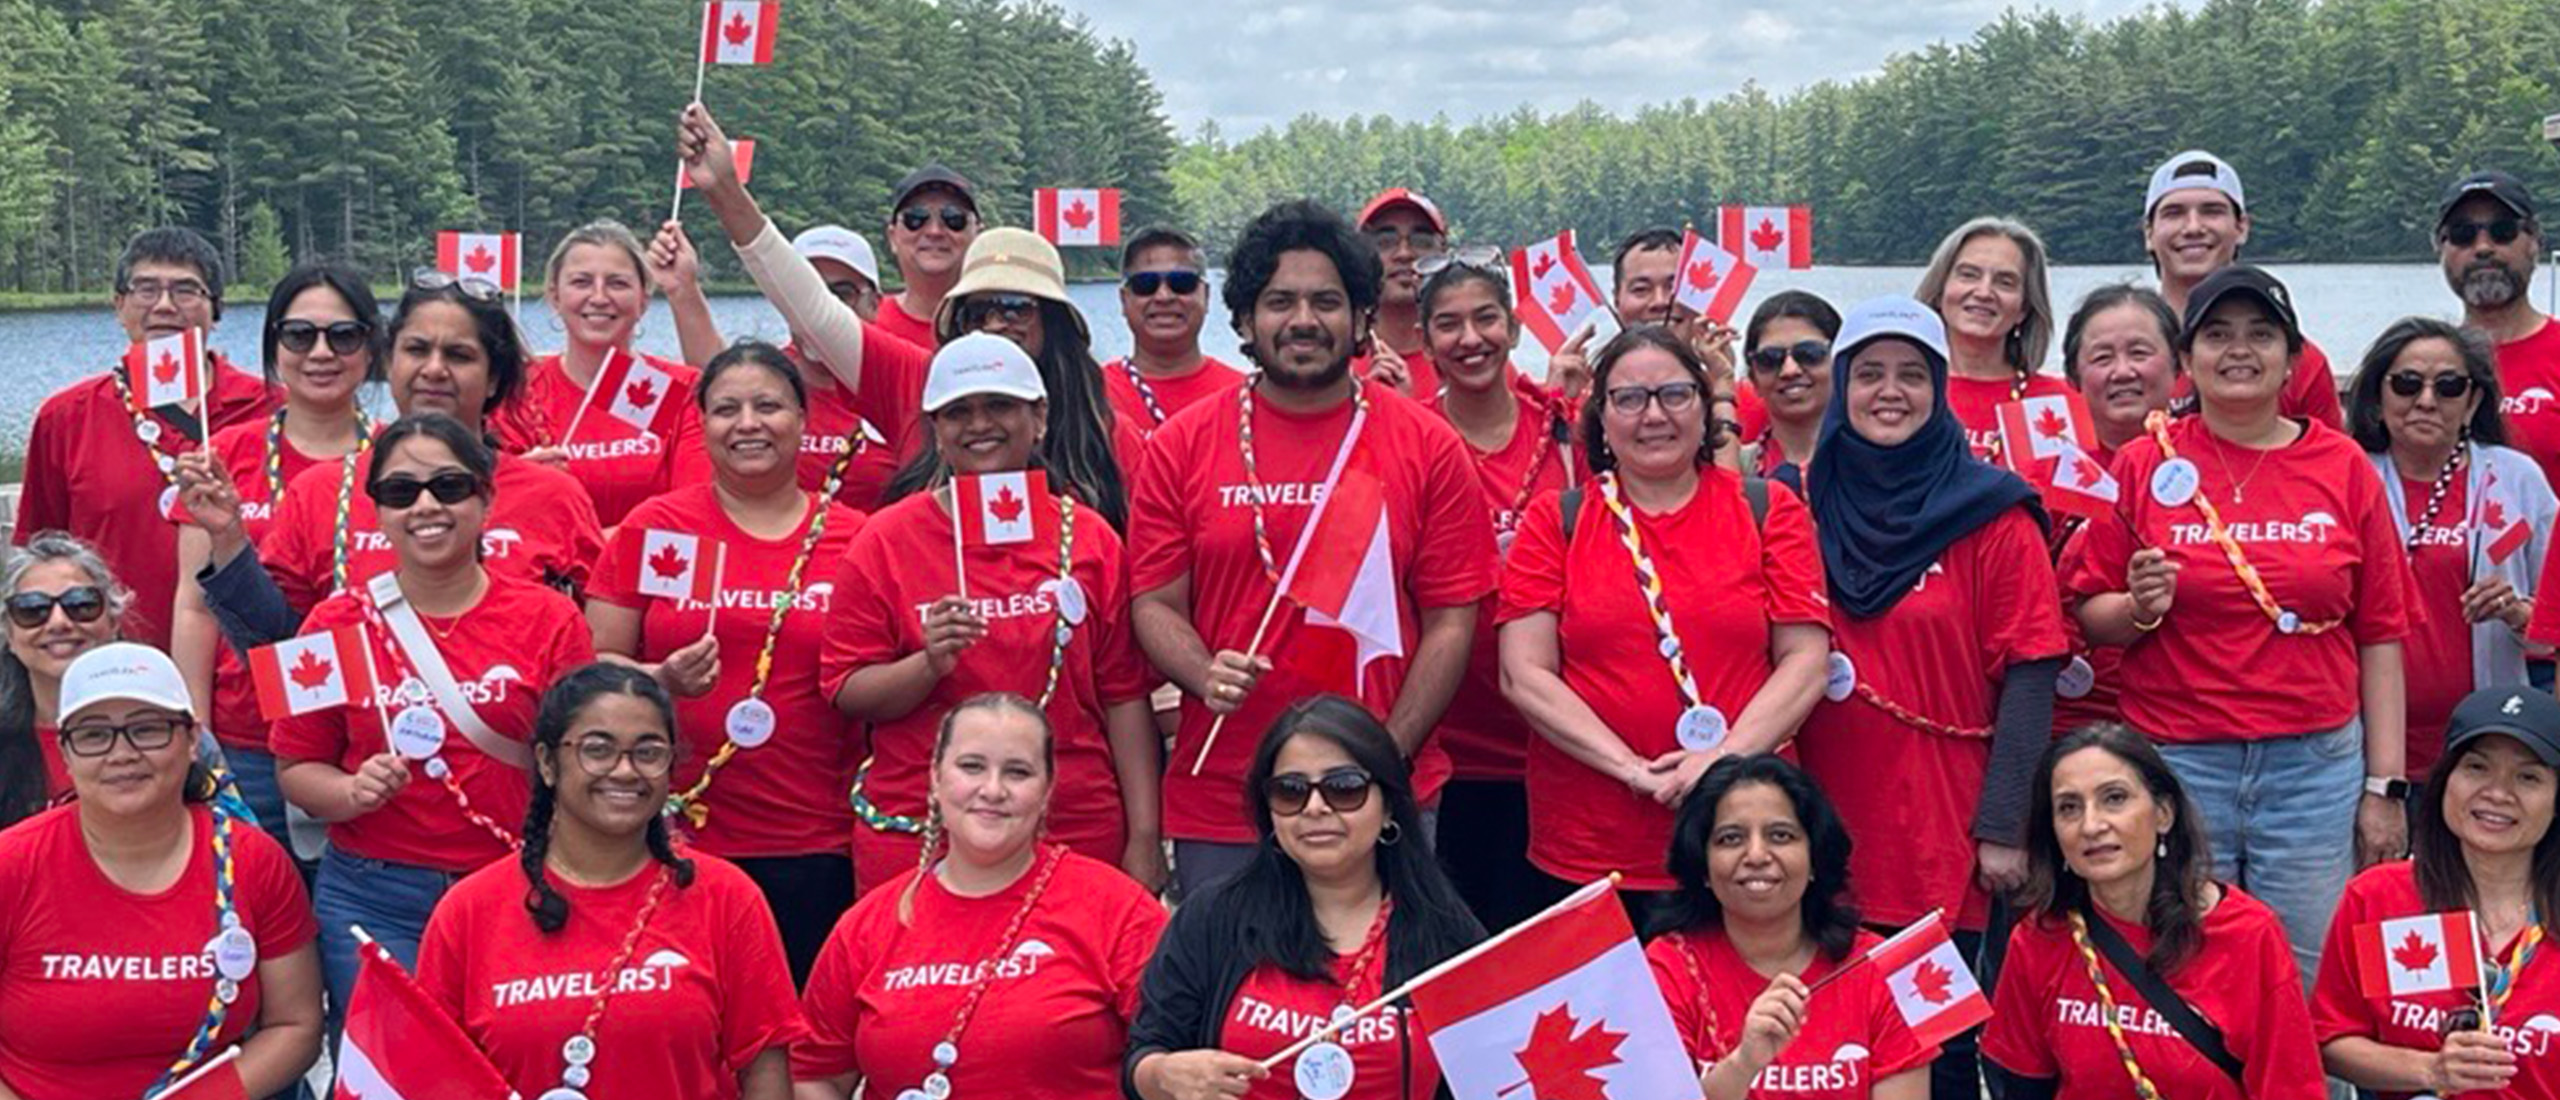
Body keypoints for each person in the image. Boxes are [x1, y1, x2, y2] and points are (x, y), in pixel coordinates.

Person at [1128, 199, 1498, 898]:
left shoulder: (1426, 443)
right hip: (1227, 794)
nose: (1303, 320)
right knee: (1232, 1003)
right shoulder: (1181, 444)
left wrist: (1389, 752)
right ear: (1243, 319)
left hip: (1379, 793)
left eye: (1326, 301)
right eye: (1280, 301)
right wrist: (1203, 673)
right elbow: (1153, 601)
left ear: (1361, 318)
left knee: (1383, 999)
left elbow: (1452, 618)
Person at [2065, 265, 2412, 979]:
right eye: (2217, 335)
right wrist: (2138, 608)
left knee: (2310, 976)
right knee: (2188, 968)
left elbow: (2379, 635)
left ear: (2293, 358)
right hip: (2178, 761)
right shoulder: (2143, 462)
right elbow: (2090, 618)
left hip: (2313, 768)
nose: (2239, 350)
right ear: (2187, 360)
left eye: (2261, 334)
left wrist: (2385, 787)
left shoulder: (2343, 465)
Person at [1795, 295, 2066, 1100]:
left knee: (1936, 1051)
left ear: (1940, 388)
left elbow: (2031, 671)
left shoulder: (1991, 511)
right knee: (1822, 1043)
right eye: (1869, 373)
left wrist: (2003, 826)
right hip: (1813, 823)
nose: (1890, 391)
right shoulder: (1791, 498)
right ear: (1840, 385)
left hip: (1940, 830)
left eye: (1912, 375)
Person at [268, 414, 597, 1030]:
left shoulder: (552, 618)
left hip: (514, 884)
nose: (425, 506)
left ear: (486, 497)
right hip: (375, 894)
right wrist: (349, 791)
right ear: (378, 511)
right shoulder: (326, 624)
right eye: (400, 492)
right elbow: (293, 768)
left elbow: (580, 761)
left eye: (448, 486)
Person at [1498, 326, 1830, 918]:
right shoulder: (1557, 519)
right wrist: (1630, 770)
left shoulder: (1766, 509)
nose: (1653, 415)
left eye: (1675, 394)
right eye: (1629, 399)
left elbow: (1804, 661)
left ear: (1707, 411)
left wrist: (1724, 759)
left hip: (1739, 836)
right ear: (1600, 418)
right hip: (1591, 844)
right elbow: (1524, 675)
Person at [823, 332, 1162, 894]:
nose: (980, 424)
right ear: (936, 430)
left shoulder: (1090, 539)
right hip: (924, 826)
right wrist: (927, 663)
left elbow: (1125, 697)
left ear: (1041, 417)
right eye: (959, 412)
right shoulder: (885, 539)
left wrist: (1145, 836)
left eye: (1000, 405)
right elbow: (846, 689)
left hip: (1073, 822)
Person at [587, 341, 870, 982]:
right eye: (725, 409)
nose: (747, 423)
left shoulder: (856, 537)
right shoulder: (656, 527)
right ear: (703, 424)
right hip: (678, 839)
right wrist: (659, 680)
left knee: (801, 1058)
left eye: (768, 406)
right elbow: (592, 667)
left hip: (821, 842)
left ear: (804, 419)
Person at [417, 664, 801, 1100]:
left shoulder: (726, 896)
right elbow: (435, 1078)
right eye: (597, 750)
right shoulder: (469, 910)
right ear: (546, 762)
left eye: (649, 752)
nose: (624, 771)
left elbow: (764, 1070)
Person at [795, 693, 1168, 1099]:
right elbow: (814, 1074)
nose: (992, 790)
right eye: (972, 767)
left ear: (1047, 792)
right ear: (936, 779)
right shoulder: (867, 924)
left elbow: (1171, 1056)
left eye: (1018, 772)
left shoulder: (1119, 909)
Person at [185, 271, 605, 626]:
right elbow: (276, 640)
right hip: (359, 724)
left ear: (494, 377)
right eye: (417, 349)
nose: (434, 369)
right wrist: (228, 542)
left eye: (458, 355)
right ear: (389, 361)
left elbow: (598, 650)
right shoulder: (321, 492)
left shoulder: (552, 495)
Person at [0, 643, 321, 1100]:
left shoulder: (252, 860)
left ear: (192, 740)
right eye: (93, 735)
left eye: (147, 729)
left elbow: (297, 1025)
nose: (122, 753)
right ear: (65, 753)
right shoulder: (12, 863)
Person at [1124, 696, 1485, 1100]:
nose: (1314, 808)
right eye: (1290, 791)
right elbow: (1144, 1055)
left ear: (1389, 808)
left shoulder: (1448, 935)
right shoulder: (1214, 916)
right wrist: (1163, 1075)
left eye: (1344, 788)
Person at [1982, 724, 2325, 1099]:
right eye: (2069, 807)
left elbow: (2290, 1089)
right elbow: (2021, 1086)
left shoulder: (2246, 933)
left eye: (2114, 798)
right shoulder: (2039, 938)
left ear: (2163, 814)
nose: (2092, 825)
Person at [171, 263, 381, 863]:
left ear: (371, 350)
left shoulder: (402, 459)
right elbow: (193, 602)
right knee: (251, 913)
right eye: (299, 335)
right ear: (273, 348)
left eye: (343, 336)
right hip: (245, 734)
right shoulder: (224, 455)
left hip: (362, 736)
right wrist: (197, 726)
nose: (321, 352)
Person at [15, 226, 277, 650]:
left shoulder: (270, 409)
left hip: (244, 660)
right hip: (117, 662)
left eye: (186, 290)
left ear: (216, 309)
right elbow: (40, 553)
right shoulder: (66, 417)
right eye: (145, 289)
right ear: (119, 306)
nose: (165, 305)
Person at [673, 105, 937, 513]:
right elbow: (708, 378)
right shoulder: (763, 377)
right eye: (809, 288)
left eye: (843, 292)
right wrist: (683, 287)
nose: (825, 303)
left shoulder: (904, 379)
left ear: (873, 302)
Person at [1418, 254, 1575, 930]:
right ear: (1425, 343)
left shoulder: (1570, 428)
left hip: (1560, 745)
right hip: (1451, 747)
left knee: (1553, 950)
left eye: (1485, 318)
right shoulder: (1411, 439)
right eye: (1448, 325)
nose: (1469, 338)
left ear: (1513, 327)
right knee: (1461, 954)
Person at [2313, 686, 2560, 1098]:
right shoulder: (2381, 898)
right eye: (2477, 768)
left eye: (2528, 777)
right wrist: (2430, 1070)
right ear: (2445, 779)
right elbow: (2332, 1040)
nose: (2497, 793)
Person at [1645, 755, 1935, 1100]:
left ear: (1815, 858)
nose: (1756, 855)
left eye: (1780, 836)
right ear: (1703, 867)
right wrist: (1744, 1063)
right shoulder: (1668, 965)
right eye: (1730, 838)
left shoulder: (1880, 966)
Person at [2348, 318, 2551, 785]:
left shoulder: (2518, 480)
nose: (2426, 400)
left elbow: (2553, 622)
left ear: (2473, 401)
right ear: (2378, 397)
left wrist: (2518, 612)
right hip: (2363, 740)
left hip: (2487, 740)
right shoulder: (2346, 475)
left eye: (2449, 386)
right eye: (2406, 384)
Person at [490, 220, 710, 528]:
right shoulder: (517, 391)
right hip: (545, 574)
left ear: (643, 300)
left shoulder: (679, 390)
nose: (599, 297)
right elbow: (498, 523)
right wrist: (516, 485)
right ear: (555, 297)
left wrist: (587, 545)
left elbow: (694, 514)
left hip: (651, 573)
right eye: (581, 282)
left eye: (617, 283)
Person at [921, 227, 1137, 526]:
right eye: (978, 311)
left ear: (1052, 319)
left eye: (1015, 308)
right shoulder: (926, 404)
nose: (995, 324)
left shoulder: (1109, 433)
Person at [2050, 285, 2184, 736]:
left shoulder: (2216, 469)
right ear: (2073, 376)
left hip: (2178, 720)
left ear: (2178, 364)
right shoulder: (2045, 473)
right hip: (2062, 716)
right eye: (2102, 357)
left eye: (2140, 352)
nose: (2122, 371)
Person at [2141, 150, 2343, 428]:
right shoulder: (2121, 358)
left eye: (2212, 211)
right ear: (2149, 233)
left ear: (2242, 227)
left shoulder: (2301, 361)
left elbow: (2329, 458)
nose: (2193, 227)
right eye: (2174, 213)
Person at [2436, 171, 2560, 491]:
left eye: (2502, 231)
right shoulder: (2420, 367)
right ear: (2441, 248)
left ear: (2535, 242)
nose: (2483, 248)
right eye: (2463, 234)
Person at [0, 534, 132, 827]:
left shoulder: (170, 724)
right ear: (9, 634)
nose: (59, 622)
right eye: (32, 610)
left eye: (81, 604)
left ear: (113, 621)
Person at [1912, 218, 2069, 463]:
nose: (1984, 292)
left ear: (2024, 308)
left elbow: (2073, 497)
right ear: (1940, 290)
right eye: (1968, 275)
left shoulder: (2055, 401)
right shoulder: (1904, 389)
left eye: (2005, 282)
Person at [1105, 227, 1245, 435]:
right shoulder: (1091, 394)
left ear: (1206, 296)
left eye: (1182, 283)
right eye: (1145, 284)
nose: (1163, 296)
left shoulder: (1244, 396)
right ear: (1124, 301)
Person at [1737, 291, 1842, 486]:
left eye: (1809, 353)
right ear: (1753, 378)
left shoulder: (1875, 460)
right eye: (1770, 358)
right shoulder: (1735, 468)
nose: (1789, 370)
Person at [876, 163, 984, 352]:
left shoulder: (1001, 325)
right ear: (892, 237)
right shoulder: (866, 324)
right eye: (916, 218)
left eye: (953, 218)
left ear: (978, 234)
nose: (934, 231)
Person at [1355, 188, 1450, 397]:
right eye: (1386, 242)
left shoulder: (1469, 359)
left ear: (1442, 255)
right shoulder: (1334, 364)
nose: (1404, 254)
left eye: (1421, 242)